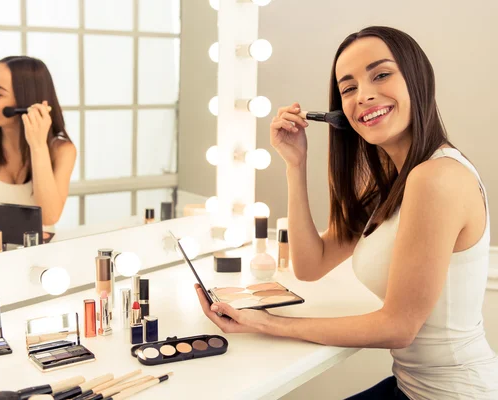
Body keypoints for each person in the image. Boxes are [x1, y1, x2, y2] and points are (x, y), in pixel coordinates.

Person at [195, 26, 498, 399]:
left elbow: (398, 327)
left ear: (418, 79)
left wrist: (268, 323)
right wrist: (295, 164)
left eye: (382, 74)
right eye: (349, 87)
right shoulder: (395, 180)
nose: (364, 95)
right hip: (410, 387)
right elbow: (311, 264)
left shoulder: (437, 178)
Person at [0, 56, 76, 255]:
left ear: (25, 102)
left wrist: (38, 146)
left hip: (38, 262)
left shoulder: (62, 150)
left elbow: (49, 217)